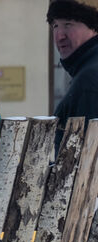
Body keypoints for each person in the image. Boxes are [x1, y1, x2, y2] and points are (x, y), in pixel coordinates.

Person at [48, 0, 98, 147]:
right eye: (55, 26)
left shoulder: (89, 80)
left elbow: (85, 154)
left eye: (68, 24)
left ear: (93, 27)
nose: (59, 36)